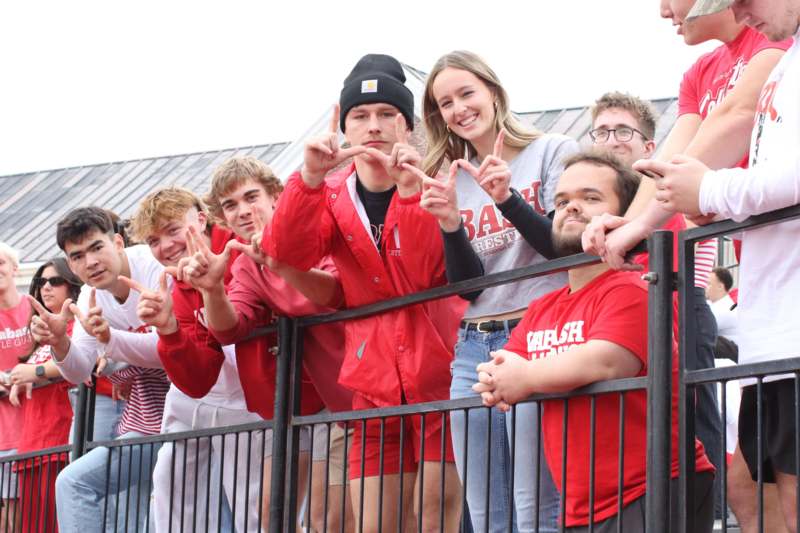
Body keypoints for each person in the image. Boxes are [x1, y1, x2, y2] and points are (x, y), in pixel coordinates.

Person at [267, 54, 463, 532]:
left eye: (386, 113)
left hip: (439, 370)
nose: (373, 125)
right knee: (374, 522)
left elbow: (424, 273)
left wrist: (409, 192)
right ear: (345, 127)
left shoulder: (434, 183)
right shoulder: (331, 192)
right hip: (373, 381)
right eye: (359, 115)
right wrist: (309, 178)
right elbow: (285, 252)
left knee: (434, 517)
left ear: (407, 126)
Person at [625, 1, 800, 530]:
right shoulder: (760, 63)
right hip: (772, 325)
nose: (663, 10)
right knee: (753, 487)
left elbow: (732, 142)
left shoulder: (775, 51)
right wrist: (638, 223)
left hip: (786, 323)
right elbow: (686, 164)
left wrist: (709, 192)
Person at [474, 151, 716, 532]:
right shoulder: (542, 307)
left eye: (591, 198)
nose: (572, 207)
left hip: (650, 488)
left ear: (623, 217)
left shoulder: (634, 287)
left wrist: (525, 377)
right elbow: (504, 366)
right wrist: (495, 378)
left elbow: (608, 360)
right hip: (583, 505)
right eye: (561, 201)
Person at [419, 50, 579, 532]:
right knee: (486, 511)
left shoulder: (552, 150)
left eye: (466, 93)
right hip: (474, 344)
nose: (459, 109)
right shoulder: (453, 174)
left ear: (492, 91)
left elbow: (563, 247)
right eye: (445, 103)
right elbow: (468, 287)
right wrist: (450, 224)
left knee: (536, 505)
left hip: (537, 331)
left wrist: (507, 198)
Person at [172, 157, 354, 532]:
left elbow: (330, 295)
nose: (242, 210)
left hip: (350, 388)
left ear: (275, 196)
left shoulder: (315, 229)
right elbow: (230, 328)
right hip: (292, 401)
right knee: (273, 512)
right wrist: (211, 290)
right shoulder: (244, 263)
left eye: (250, 197)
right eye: (230, 205)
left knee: (330, 517)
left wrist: (278, 263)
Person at [126, 186, 265, 532]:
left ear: (201, 219)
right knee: (169, 482)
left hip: (254, 400)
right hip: (203, 397)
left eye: (173, 230)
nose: (166, 246)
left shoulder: (240, 247)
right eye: (154, 241)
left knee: (253, 503)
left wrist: (212, 290)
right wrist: (168, 330)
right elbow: (198, 380)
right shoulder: (176, 285)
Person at [29, 207, 170, 533]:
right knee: (73, 482)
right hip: (149, 423)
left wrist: (109, 340)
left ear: (118, 242)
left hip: (202, 414)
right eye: (77, 256)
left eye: (96, 248)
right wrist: (60, 342)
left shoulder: (154, 266)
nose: (90, 262)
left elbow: (168, 350)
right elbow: (80, 371)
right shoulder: (90, 295)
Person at [5, 258, 81, 533]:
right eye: (40, 282)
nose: (46, 287)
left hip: (59, 443)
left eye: (55, 281)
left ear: (72, 286)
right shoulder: (40, 336)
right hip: (32, 447)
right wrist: (16, 377)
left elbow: (79, 361)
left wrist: (34, 371)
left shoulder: (76, 327)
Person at [0, 242, 34, 532]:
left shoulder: (34, 307)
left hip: (40, 421)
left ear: (14, 268)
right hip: (5, 429)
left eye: (0, 263)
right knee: (11, 507)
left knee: (41, 502)